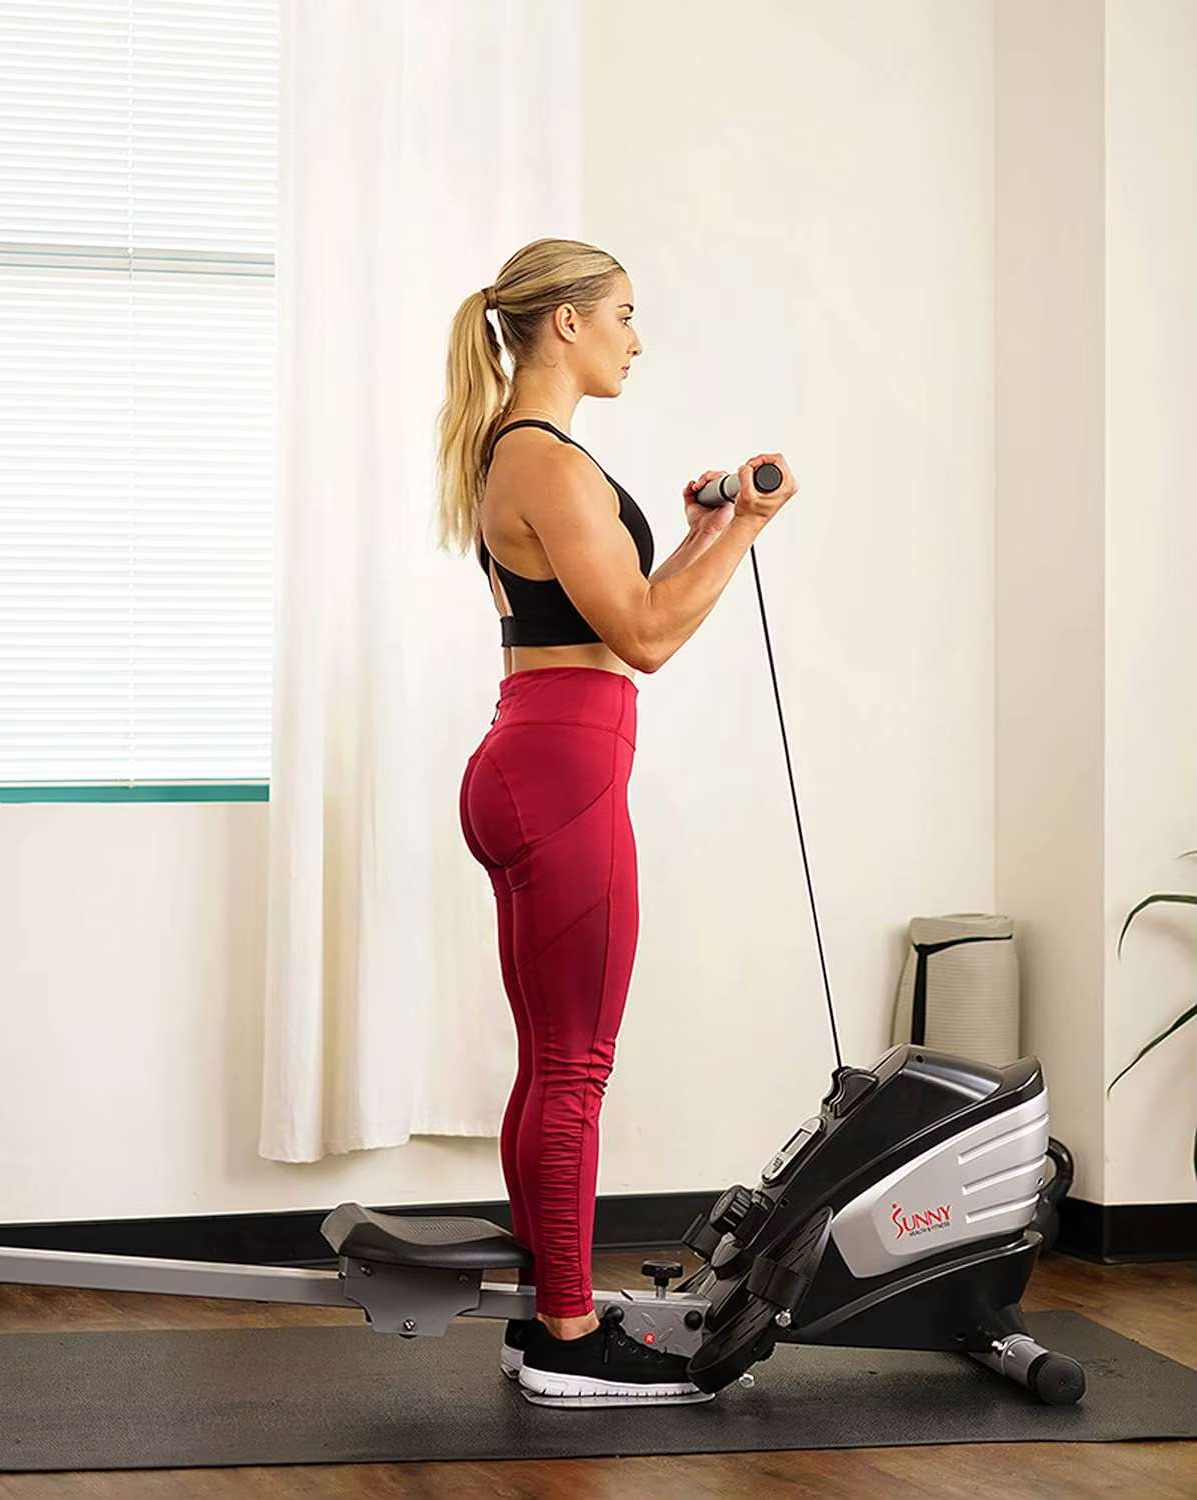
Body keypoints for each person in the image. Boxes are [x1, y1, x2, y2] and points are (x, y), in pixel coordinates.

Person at [434, 237, 798, 1405]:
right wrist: (742, 529)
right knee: (577, 1065)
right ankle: (569, 1338)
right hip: (563, 765)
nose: (639, 338)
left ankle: (549, 1310)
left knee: (553, 1061)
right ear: (569, 326)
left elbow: (623, 610)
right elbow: (643, 636)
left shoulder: (527, 453)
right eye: (626, 315)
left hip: (533, 750)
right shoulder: (545, 460)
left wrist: (706, 526)